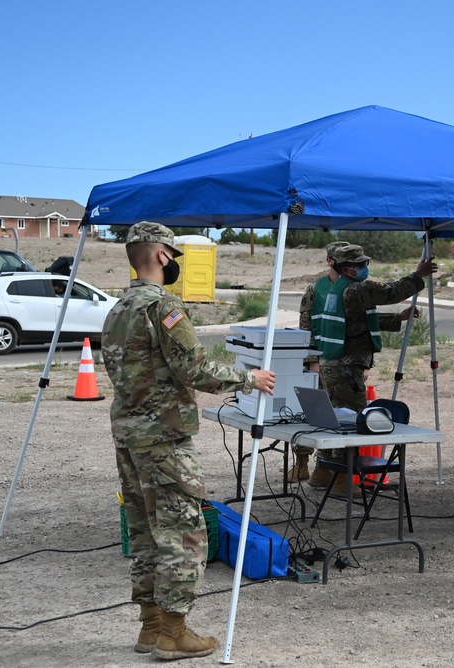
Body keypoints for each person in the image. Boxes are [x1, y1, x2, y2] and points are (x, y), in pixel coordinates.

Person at [102, 222, 276, 661]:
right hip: (163, 439)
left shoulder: (118, 307)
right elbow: (194, 369)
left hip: (130, 436)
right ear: (162, 255)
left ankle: (150, 627)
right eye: (174, 256)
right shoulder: (163, 306)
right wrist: (249, 377)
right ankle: (174, 634)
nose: (174, 263)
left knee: (144, 531)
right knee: (184, 534)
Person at [309, 243, 436, 490]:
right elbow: (391, 292)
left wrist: (396, 318)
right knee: (352, 425)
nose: (365, 268)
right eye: (359, 265)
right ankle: (344, 480)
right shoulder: (358, 288)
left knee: (334, 422)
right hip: (347, 367)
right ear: (347, 269)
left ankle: (323, 472)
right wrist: (418, 275)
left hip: (332, 365)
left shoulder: (337, 289)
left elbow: (357, 321)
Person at [290, 240, 350, 485]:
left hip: (345, 365)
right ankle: (302, 462)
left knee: (339, 418)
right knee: (311, 414)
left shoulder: (354, 288)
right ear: (330, 261)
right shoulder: (316, 290)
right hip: (319, 363)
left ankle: (325, 470)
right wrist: (312, 361)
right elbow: (306, 327)